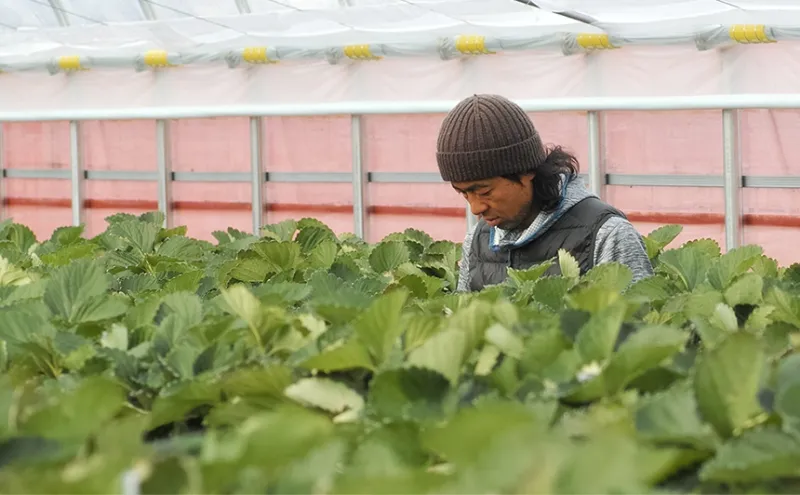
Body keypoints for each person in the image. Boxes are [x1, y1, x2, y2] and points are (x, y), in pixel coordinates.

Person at [435, 94, 654, 292]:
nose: (476, 208)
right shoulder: (477, 240)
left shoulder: (606, 235)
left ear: (526, 171)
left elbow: (635, 330)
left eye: (484, 191)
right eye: (464, 194)